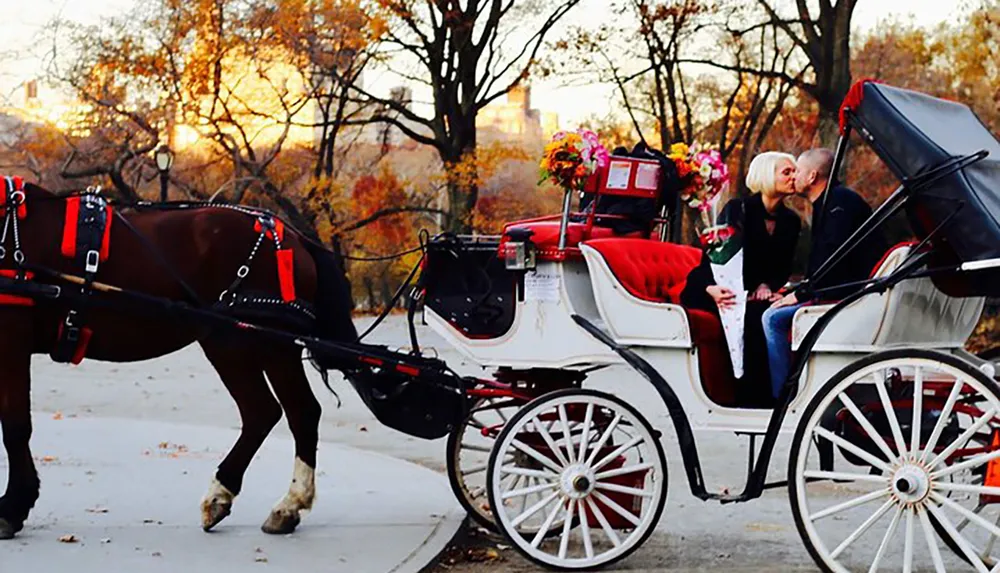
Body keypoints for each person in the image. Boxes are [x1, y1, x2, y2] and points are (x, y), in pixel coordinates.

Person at [762, 148, 887, 400]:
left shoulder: (838, 204)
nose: (793, 176)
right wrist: (798, 289)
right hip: (845, 289)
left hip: (847, 295)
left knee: (771, 319)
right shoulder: (835, 201)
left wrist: (800, 295)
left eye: (797, 170)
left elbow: (834, 259)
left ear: (811, 176)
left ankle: (783, 399)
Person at [681, 151, 801, 406]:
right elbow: (715, 259)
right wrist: (710, 288)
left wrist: (766, 285)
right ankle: (751, 398)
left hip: (758, 294)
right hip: (718, 287)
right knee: (755, 315)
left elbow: (782, 267)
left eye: (795, 171)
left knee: (771, 313)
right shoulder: (738, 209)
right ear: (767, 175)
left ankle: (779, 394)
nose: (794, 177)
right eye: (787, 172)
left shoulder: (791, 221)